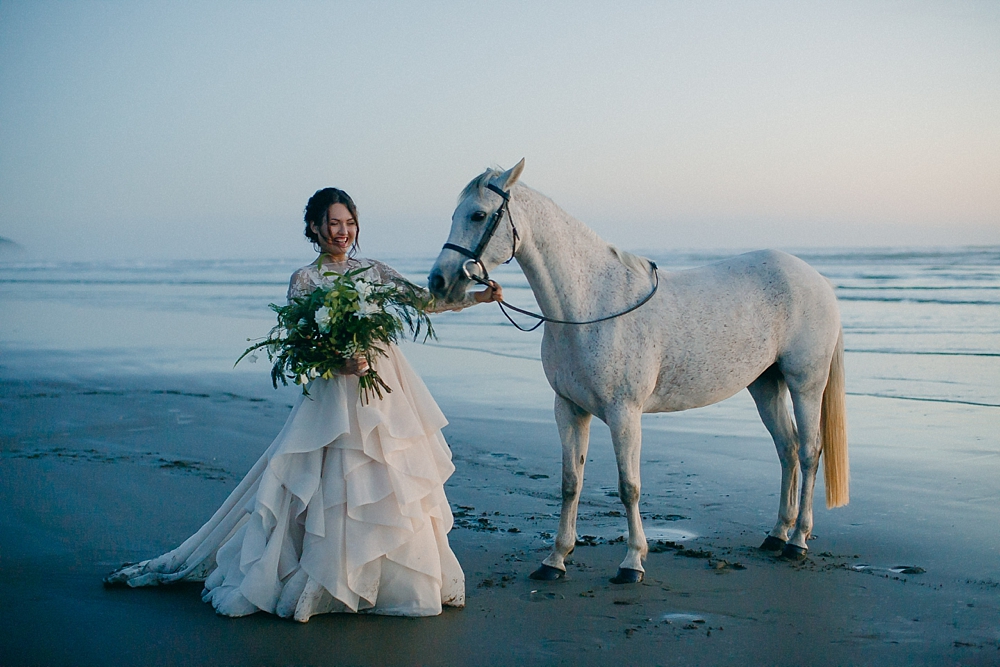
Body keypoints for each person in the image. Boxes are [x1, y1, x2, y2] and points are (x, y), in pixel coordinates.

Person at [104, 187, 501, 621]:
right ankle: (324, 577)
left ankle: (390, 581)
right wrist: (340, 361)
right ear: (314, 227)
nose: (343, 232)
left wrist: (476, 298)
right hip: (336, 392)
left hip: (385, 384)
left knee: (391, 477)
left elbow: (424, 301)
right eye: (334, 223)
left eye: (349, 223)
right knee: (328, 483)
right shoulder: (304, 280)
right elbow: (301, 348)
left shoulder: (372, 269)